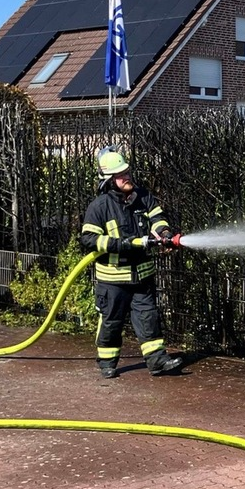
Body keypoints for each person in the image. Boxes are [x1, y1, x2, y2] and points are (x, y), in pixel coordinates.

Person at [79, 146, 183, 379]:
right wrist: (122, 244)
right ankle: (107, 362)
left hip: (142, 277)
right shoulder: (100, 207)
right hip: (113, 280)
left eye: (127, 172)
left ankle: (157, 361)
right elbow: (88, 239)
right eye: (120, 174)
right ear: (108, 180)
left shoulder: (143, 197)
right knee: (111, 322)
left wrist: (163, 233)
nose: (126, 177)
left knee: (148, 318)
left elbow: (157, 219)